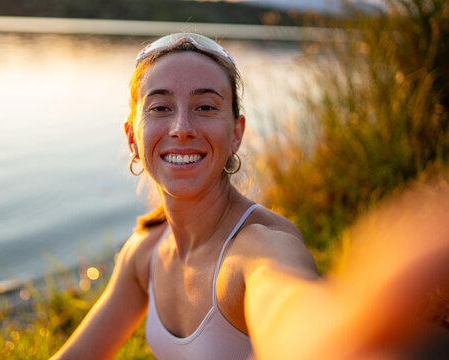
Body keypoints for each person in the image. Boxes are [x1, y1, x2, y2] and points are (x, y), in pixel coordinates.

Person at [51, 33, 449, 360]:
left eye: (205, 106)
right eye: (160, 107)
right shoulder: (145, 251)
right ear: (132, 138)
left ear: (236, 133)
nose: (182, 127)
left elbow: (291, 311)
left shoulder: (258, 248)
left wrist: (341, 333)